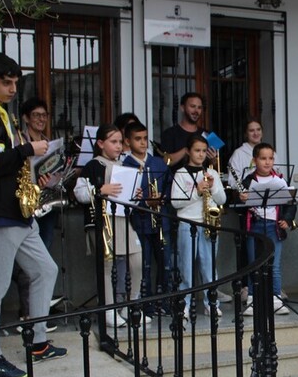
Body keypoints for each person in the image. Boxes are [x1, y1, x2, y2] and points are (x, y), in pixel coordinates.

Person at [0, 52, 66, 377]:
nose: (11, 88)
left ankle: (37, 343)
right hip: (1, 213)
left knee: (45, 270)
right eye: (5, 82)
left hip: (17, 212)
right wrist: (27, 151)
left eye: (15, 82)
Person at [73, 123, 143, 328]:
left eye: (120, 142)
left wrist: (135, 196)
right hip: (103, 222)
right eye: (113, 142)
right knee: (107, 266)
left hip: (123, 220)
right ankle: (108, 310)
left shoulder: (124, 164)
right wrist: (99, 189)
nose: (118, 146)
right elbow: (80, 194)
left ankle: (129, 305)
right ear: (101, 144)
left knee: (137, 260)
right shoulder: (93, 166)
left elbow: (128, 196)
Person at [171, 134, 227, 317]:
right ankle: (184, 304)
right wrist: (196, 191)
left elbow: (222, 199)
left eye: (204, 151)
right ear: (188, 151)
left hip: (208, 224)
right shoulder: (180, 174)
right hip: (188, 224)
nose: (201, 154)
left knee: (209, 267)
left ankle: (211, 302)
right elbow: (175, 202)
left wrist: (212, 187)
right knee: (186, 267)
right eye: (197, 150)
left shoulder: (211, 173)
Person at [240, 142, 295, 316]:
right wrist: (242, 199)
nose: (267, 162)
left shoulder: (279, 179)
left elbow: (290, 204)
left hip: (273, 227)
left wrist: (287, 220)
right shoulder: (248, 180)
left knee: (275, 266)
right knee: (253, 264)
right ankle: (251, 300)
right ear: (254, 160)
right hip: (253, 225)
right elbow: (237, 208)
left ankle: (276, 299)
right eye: (263, 158)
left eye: (270, 158)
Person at [121, 121, 173, 299]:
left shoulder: (158, 163)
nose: (143, 143)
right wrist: (145, 202)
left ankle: (164, 300)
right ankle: (146, 302)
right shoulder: (125, 166)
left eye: (145, 138)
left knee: (166, 262)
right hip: (140, 222)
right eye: (137, 139)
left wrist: (162, 197)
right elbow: (126, 194)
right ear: (128, 141)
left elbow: (169, 186)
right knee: (144, 264)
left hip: (161, 220)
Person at [18, 97, 57, 248]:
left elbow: (57, 172)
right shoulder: (18, 141)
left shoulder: (50, 143)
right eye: (36, 115)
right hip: (26, 203)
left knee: (45, 245)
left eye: (44, 115)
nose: (41, 119)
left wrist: (50, 181)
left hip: (46, 202)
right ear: (26, 118)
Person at [227, 118, 267, 188]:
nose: (256, 133)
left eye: (258, 129)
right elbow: (232, 181)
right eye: (251, 130)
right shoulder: (238, 153)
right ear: (246, 134)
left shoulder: (270, 152)